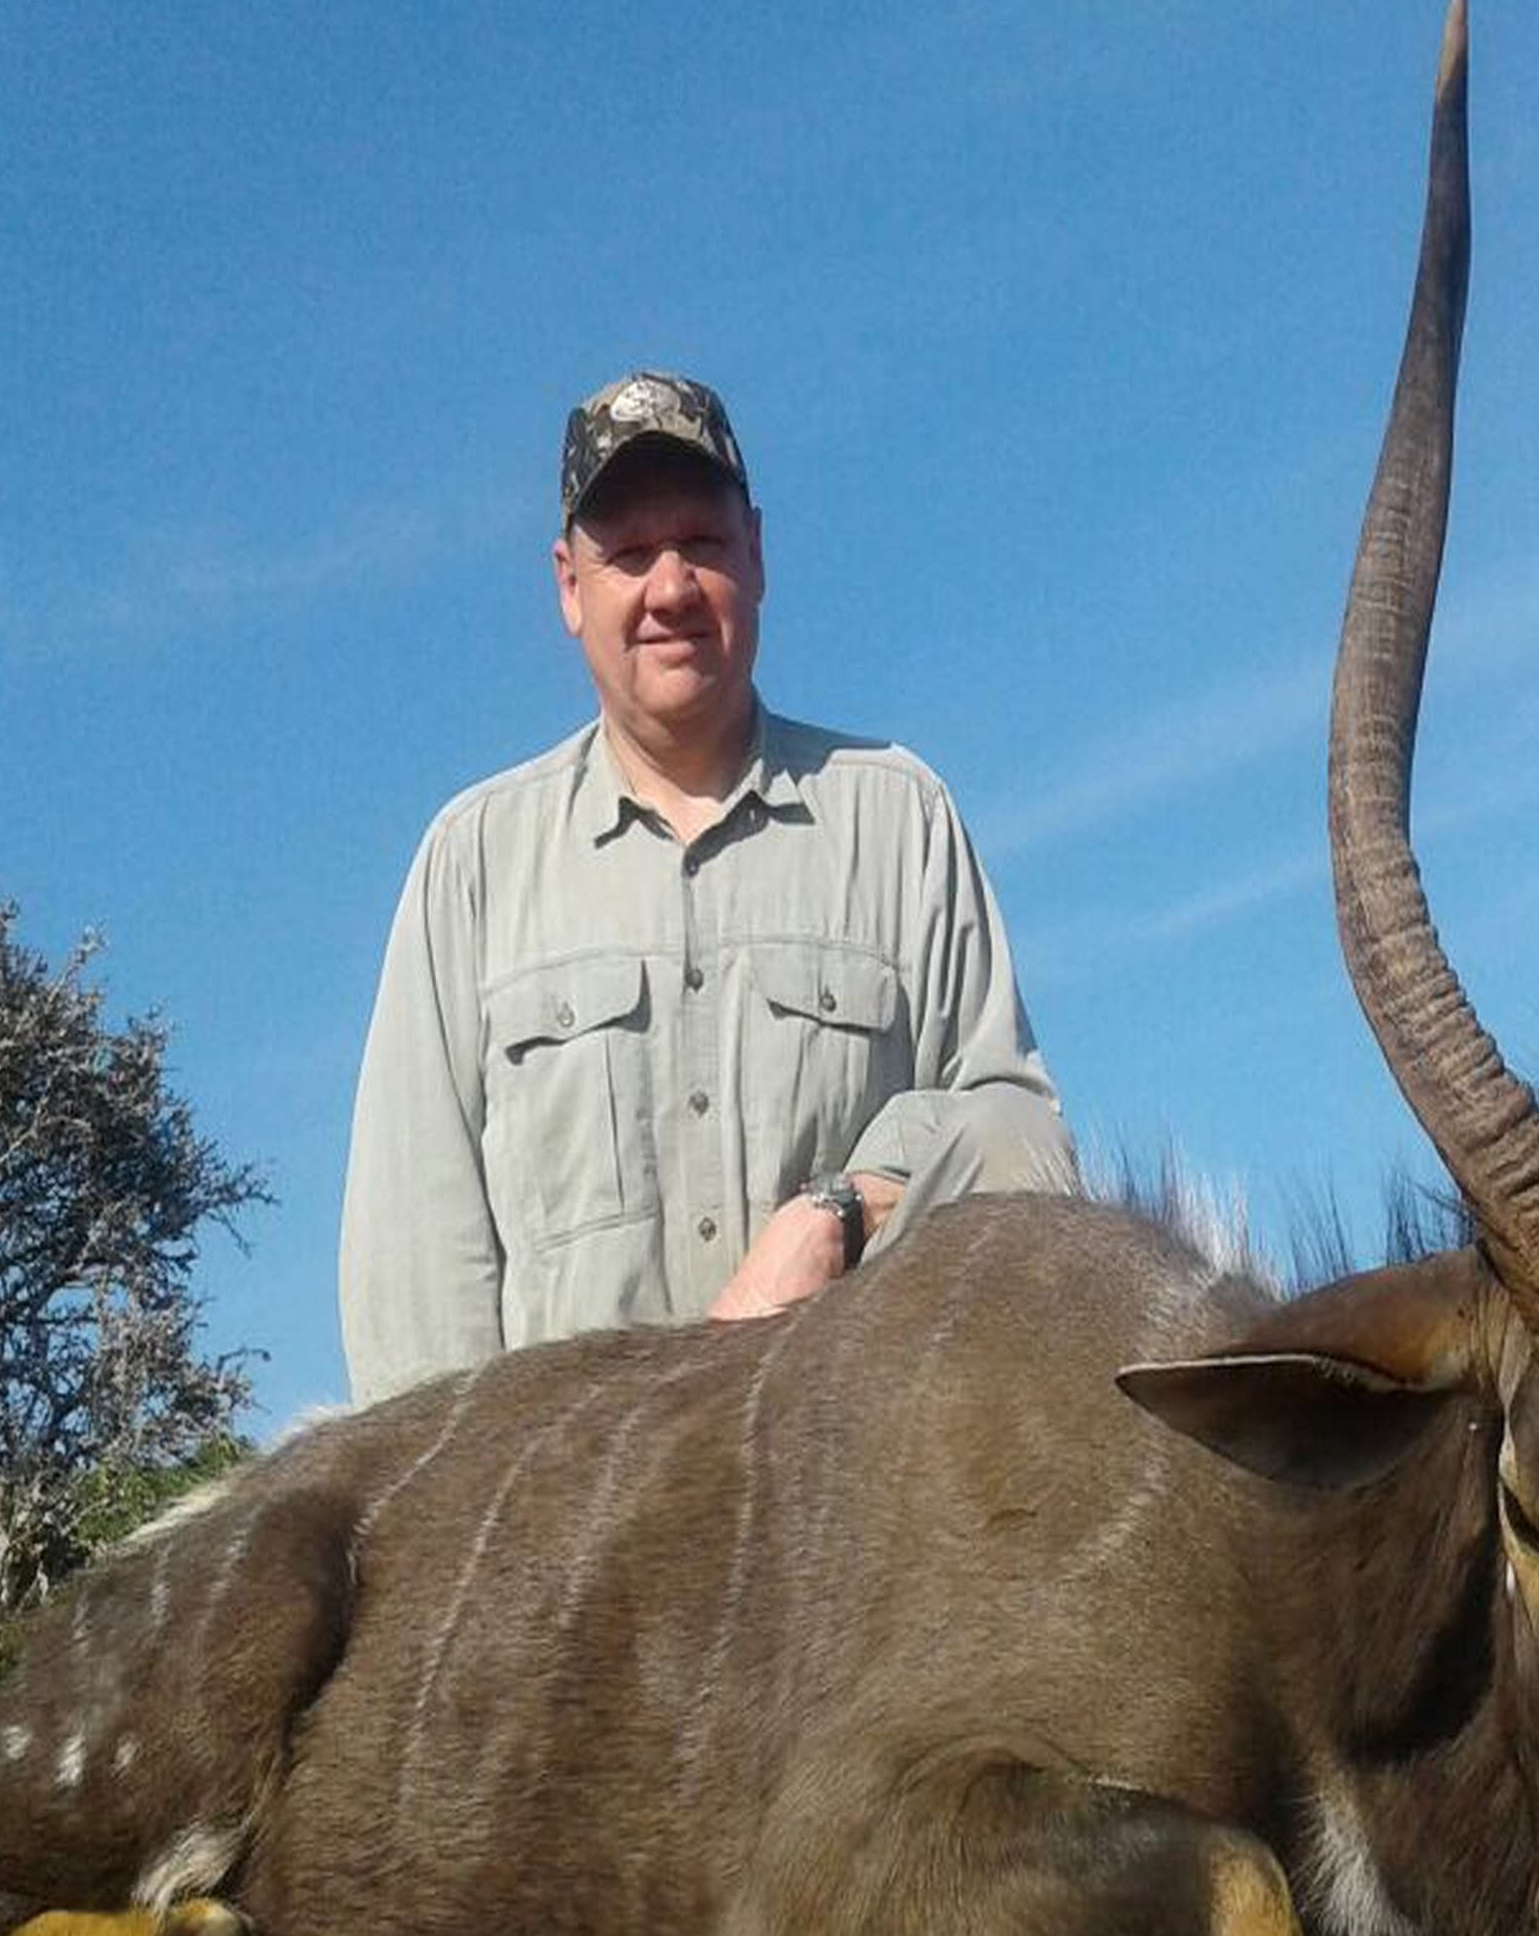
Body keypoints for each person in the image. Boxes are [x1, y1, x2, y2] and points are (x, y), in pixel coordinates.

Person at [339, 371, 1075, 1401]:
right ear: (568, 587)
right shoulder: (471, 863)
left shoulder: (899, 817)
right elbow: (412, 1284)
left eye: (703, 543)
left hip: (852, 1507)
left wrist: (843, 1209)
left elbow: (1023, 1138)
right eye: (629, 555)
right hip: (575, 1535)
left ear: (759, 556)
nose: (671, 587)